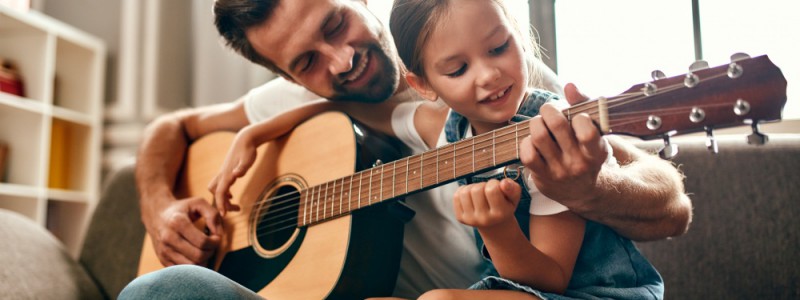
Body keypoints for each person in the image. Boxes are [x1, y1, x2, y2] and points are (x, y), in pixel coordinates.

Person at [122, 0, 691, 298]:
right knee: (167, 287)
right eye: (307, 62)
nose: (340, 59)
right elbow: (170, 129)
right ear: (286, 78)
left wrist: (590, 186)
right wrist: (159, 209)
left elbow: (671, 205)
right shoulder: (288, 105)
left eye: (336, 23)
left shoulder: (488, 74)